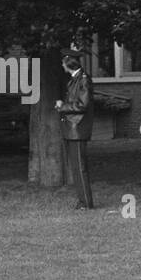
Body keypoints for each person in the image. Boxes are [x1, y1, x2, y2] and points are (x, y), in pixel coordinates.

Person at [56, 49, 94, 209]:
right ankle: (83, 200)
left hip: (77, 128)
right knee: (77, 167)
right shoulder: (76, 79)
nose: (62, 66)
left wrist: (62, 106)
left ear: (68, 63)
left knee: (79, 167)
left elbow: (82, 105)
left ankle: (85, 202)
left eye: (63, 62)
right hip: (73, 128)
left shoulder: (83, 80)